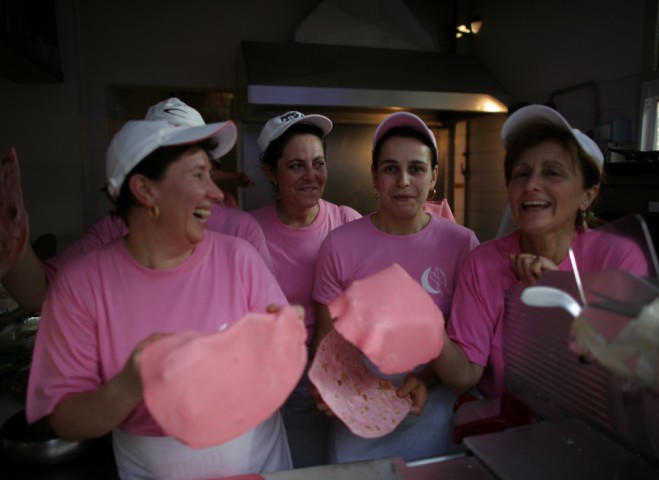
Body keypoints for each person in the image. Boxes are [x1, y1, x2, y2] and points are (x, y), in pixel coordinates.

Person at [26, 117, 294, 479]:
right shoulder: (81, 286)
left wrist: (279, 345)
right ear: (145, 190)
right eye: (198, 175)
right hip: (153, 469)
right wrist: (131, 383)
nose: (216, 193)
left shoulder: (239, 258)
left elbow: (280, 359)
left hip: (257, 457)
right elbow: (65, 420)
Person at [434, 104, 651, 399]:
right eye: (521, 173)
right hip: (501, 426)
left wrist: (564, 305)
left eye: (552, 172)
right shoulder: (483, 263)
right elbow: (464, 378)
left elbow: (629, 381)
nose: (532, 184)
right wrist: (429, 332)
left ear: (588, 195)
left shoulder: (617, 259)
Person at [310, 111, 480, 463]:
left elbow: (466, 350)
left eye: (416, 169)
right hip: (358, 417)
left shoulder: (461, 244)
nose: (403, 180)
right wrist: (329, 387)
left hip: (431, 412)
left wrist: (428, 378)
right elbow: (328, 340)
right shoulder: (340, 245)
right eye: (390, 168)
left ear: (433, 176)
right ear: (374, 176)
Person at [0, 98, 273, 313]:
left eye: (203, 167)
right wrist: (10, 236)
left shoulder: (240, 236)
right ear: (144, 184)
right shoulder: (113, 232)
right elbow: (41, 293)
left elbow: (270, 326)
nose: (212, 193)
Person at [248, 111, 361, 468]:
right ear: (271, 171)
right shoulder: (250, 233)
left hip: (342, 371)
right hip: (278, 380)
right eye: (296, 165)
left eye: (318, 163)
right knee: (297, 467)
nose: (311, 176)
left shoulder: (346, 221)